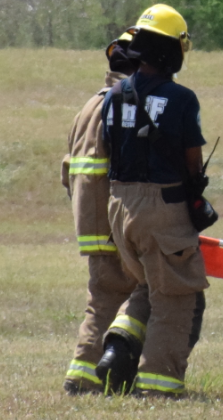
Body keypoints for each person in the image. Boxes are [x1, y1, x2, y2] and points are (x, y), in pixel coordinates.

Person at [98, 4, 209, 397]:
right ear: (172, 51)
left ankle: (115, 347)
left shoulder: (112, 97)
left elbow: (110, 151)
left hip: (119, 208)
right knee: (177, 297)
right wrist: (195, 190)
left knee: (147, 285)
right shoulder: (181, 98)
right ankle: (159, 386)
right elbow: (192, 159)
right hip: (163, 207)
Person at [61, 33, 140, 395]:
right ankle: (121, 370)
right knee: (150, 290)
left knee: (102, 299)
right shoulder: (125, 105)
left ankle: (82, 375)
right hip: (116, 221)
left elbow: (67, 170)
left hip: (89, 224)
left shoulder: (88, 106)